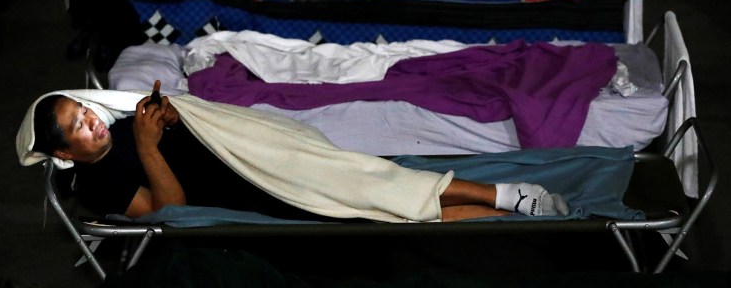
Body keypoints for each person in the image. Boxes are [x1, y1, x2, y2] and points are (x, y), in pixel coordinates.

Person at [32, 83, 569, 222]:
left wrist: (171, 117)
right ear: (64, 154)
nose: (90, 119)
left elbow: (198, 123)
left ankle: (508, 196)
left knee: (368, 178)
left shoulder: (124, 124)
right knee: (377, 204)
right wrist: (151, 146)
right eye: (76, 127)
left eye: (83, 110)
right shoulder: (97, 184)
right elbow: (173, 213)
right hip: (249, 188)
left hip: (255, 153)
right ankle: (507, 203)